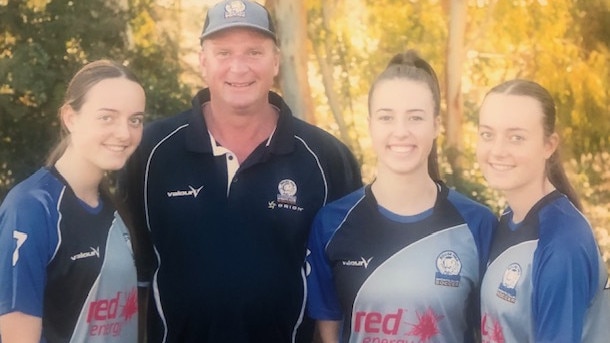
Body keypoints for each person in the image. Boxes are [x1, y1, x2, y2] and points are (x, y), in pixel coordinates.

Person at [117, 1, 362, 342]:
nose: (239, 67)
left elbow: (345, 282)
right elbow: (133, 275)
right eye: (223, 52)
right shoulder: (151, 152)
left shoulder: (327, 158)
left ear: (275, 61)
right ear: (203, 61)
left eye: (253, 52)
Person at [306, 50, 497, 343]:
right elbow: (328, 330)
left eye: (415, 118)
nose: (401, 132)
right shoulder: (331, 223)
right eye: (386, 117)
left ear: (436, 125)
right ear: (370, 124)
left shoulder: (478, 224)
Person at [0, 60, 146, 343]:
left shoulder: (115, 208)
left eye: (135, 120)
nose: (124, 133)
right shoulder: (32, 207)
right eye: (107, 117)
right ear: (71, 118)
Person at [476, 79, 610, 342]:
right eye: (487, 134)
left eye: (516, 137)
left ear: (549, 145)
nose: (497, 150)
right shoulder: (510, 218)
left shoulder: (562, 243)